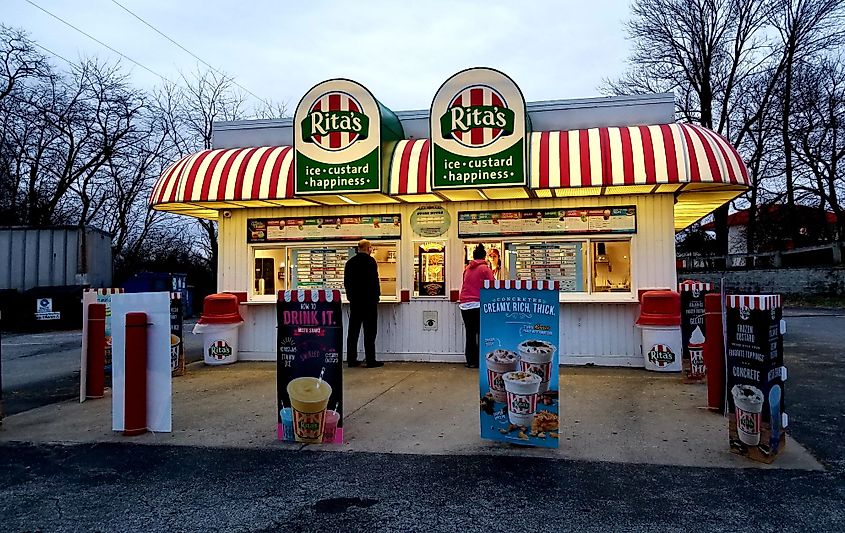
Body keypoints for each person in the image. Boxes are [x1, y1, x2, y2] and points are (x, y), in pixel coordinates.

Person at [344, 239, 383, 368]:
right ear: (368, 248)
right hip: (369, 301)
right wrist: (376, 296)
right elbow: (374, 281)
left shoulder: (350, 263)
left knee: (353, 331)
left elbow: (347, 282)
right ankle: (370, 360)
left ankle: (351, 359)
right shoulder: (370, 262)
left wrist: (351, 297)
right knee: (370, 332)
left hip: (355, 302)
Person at [459, 244, 495, 368]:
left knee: (470, 333)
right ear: (484, 256)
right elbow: (492, 286)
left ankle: (470, 361)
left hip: (464, 305)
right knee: (481, 332)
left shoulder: (467, 269)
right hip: (477, 303)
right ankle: (480, 360)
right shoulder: (485, 269)